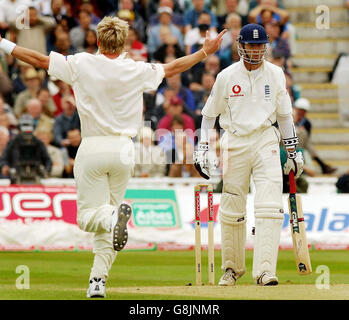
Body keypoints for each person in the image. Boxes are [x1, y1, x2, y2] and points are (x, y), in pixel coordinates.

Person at [0, 16, 226, 297]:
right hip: (124, 150)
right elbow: (173, 67)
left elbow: (38, 59)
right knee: (107, 218)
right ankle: (97, 282)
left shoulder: (81, 63)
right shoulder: (135, 69)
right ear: (124, 43)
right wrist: (205, 52)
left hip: (93, 146)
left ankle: (110, 219)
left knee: (88, 218)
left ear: (97, 39)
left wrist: (3, 43)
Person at [193, 24, 304, 286]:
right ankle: (231, 269)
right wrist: (203, 148)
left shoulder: (276, 74)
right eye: (251, 45)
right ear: (241, 46)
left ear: (266, 47)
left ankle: (265, 271)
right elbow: (209, 115)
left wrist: (293, 152)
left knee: (269, 207)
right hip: (235, 141)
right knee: (232, 208)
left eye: (260, 45)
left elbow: (285, 116)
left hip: (266, 140)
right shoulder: (226, 76)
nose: (255, 50)